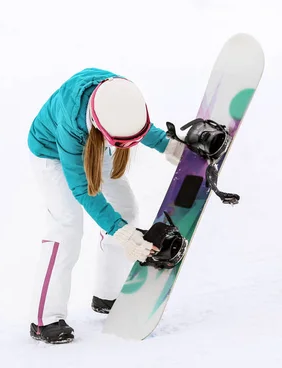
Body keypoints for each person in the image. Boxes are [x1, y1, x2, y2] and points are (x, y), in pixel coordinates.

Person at [26, 67, 185, 344]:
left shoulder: (121, 97)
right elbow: (83, 190)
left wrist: (171, 148)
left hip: (97, 144)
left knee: (126, 210)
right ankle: (45, 319)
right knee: (67, 228)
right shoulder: (72, 120)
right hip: (52, 154)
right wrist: (120, 232)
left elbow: (142, 128)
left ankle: (107, 296)